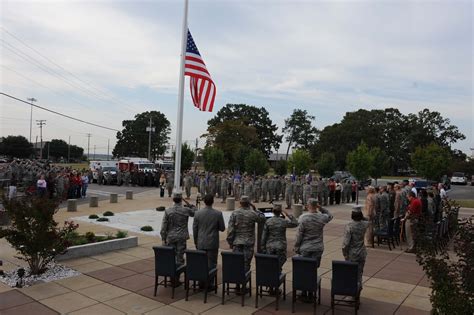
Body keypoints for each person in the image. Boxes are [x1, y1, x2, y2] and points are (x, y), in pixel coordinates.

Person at [193, 194, 225, 289]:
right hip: (212, 242)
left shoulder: (198, 213)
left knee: (200, 262)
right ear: (213, 202)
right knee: (211, 264)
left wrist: (196, 241)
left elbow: (195, 229)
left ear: (204, 202)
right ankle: (209, 284)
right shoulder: (218, 214)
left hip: (201, 241)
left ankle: (201, 282)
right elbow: (222, 228)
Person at [226, 196, 265, 272]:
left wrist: (230, 242)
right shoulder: (252, 213)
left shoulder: (235, 213)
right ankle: (244, 280)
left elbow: (230, 230)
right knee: (246, 264)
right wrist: (256, 209)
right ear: (249, 204)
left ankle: (238, 281)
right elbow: (262, 218)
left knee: (237, 263)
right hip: (248, 243)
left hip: (237, 242)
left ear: (240, 203)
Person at [160, 191, 197, 267]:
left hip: (171, 236)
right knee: (180, 258)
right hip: (181, 237)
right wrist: (188, 204)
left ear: (173, 199)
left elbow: (164, 226)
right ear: (181, 200)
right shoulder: (186, 210)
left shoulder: (168, 211)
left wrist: (163, 238)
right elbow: (196, 212)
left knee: (171, 257)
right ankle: (178, 275)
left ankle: (172, 275)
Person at [294, 198, 333, 267]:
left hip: (305, 247)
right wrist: (321, 208)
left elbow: (299, 234)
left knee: (305, 268)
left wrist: (296, 246)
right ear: (316, 206)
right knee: (314, 268)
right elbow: (330, 216)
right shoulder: (322, 217)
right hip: (318, 247)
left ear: (307, 206)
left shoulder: (303, 218)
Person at [261, 203, 298, 271]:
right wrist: (287, 214)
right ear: (280, 212)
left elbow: (264, 236)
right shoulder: (283, 221)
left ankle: (273, 275)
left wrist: (263, 248)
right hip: (281, 245)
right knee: (279, 263)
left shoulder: (268, 221)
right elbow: (295, 223)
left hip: (270, 246)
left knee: (271, 264)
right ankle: (278, 273)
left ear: (272, 212)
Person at [342, 206, 369, 289]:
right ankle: (358, 291)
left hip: (352, 254)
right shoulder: (365, 224)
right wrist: (362, 217)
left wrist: (345, 254)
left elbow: (345, 244)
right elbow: (368, 220)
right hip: (361, 253)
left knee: (351, 274)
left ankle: (353, 291)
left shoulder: (349, 226)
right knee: (359, 273)